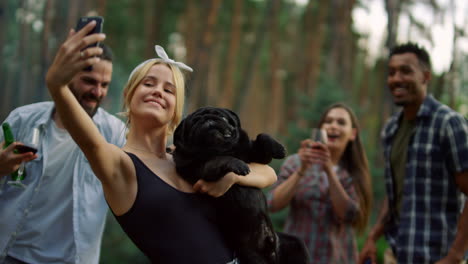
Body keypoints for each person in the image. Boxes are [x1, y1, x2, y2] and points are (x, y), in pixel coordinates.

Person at [45, 21, 277, 263]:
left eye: (169, 90)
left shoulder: (188, 156)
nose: (157, 91)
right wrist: (58, 87)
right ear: (129, 95)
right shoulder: (121, 166)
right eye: (148, 84)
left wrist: (234, 177)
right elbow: (91, 143)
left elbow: (268, 173)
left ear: (176, 109)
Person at [0, 39, 126, 263]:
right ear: (67, 76)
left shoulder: (114, 134)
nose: (97, 92)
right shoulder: (22, 119)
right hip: (10, 253)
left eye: (104, 85)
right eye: (89, 81)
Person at [359, 43, 468, 264]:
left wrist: (455, 255)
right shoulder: (391, 130)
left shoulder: (449, 124)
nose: (396, 79)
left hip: (439, 257)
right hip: (397, 254)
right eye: (391, 73)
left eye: (406, 71)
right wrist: (373, 236)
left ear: (425, 76)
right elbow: (396, 195)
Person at [268, 103, 373, 264]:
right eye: (328, 121)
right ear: (321, 128)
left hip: (337, 258)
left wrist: (329, 170)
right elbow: (273, 204)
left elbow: (349, 215)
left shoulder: (353, 172)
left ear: (353, 134)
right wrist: (302, 170)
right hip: (296, 257)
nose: (333, 126)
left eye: (341, 122)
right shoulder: (295, 163)